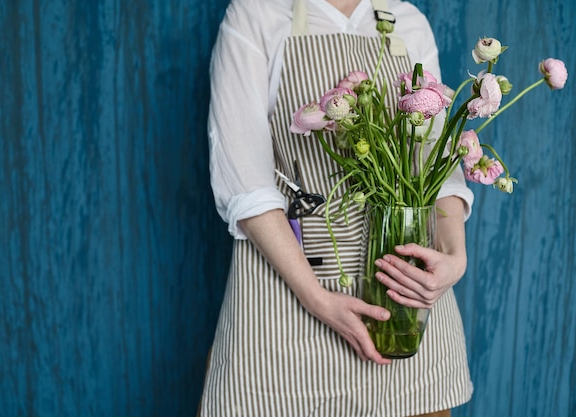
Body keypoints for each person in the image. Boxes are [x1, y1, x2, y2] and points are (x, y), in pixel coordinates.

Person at [200, 0, 475, 416]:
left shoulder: (407, 22)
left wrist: (455, 258)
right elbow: (245, 182)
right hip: (288, 312)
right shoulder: (256, 13)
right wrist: (316, 298)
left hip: (401, 314)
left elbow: (437, 166)